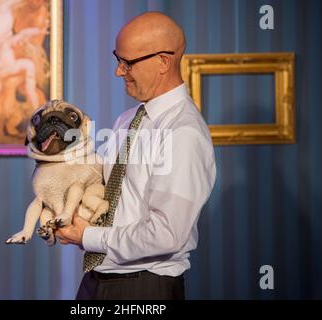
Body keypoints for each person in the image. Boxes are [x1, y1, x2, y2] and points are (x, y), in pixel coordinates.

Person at [55, 11, 216, 300]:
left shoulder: (184, 133)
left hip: (144, 289)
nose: (118, 71)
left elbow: (167, 233)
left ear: (163, 62)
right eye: (117, 59)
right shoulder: (129, 119)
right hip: (97, 280)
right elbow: (108, 193)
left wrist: (87, 237)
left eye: (127, 62)